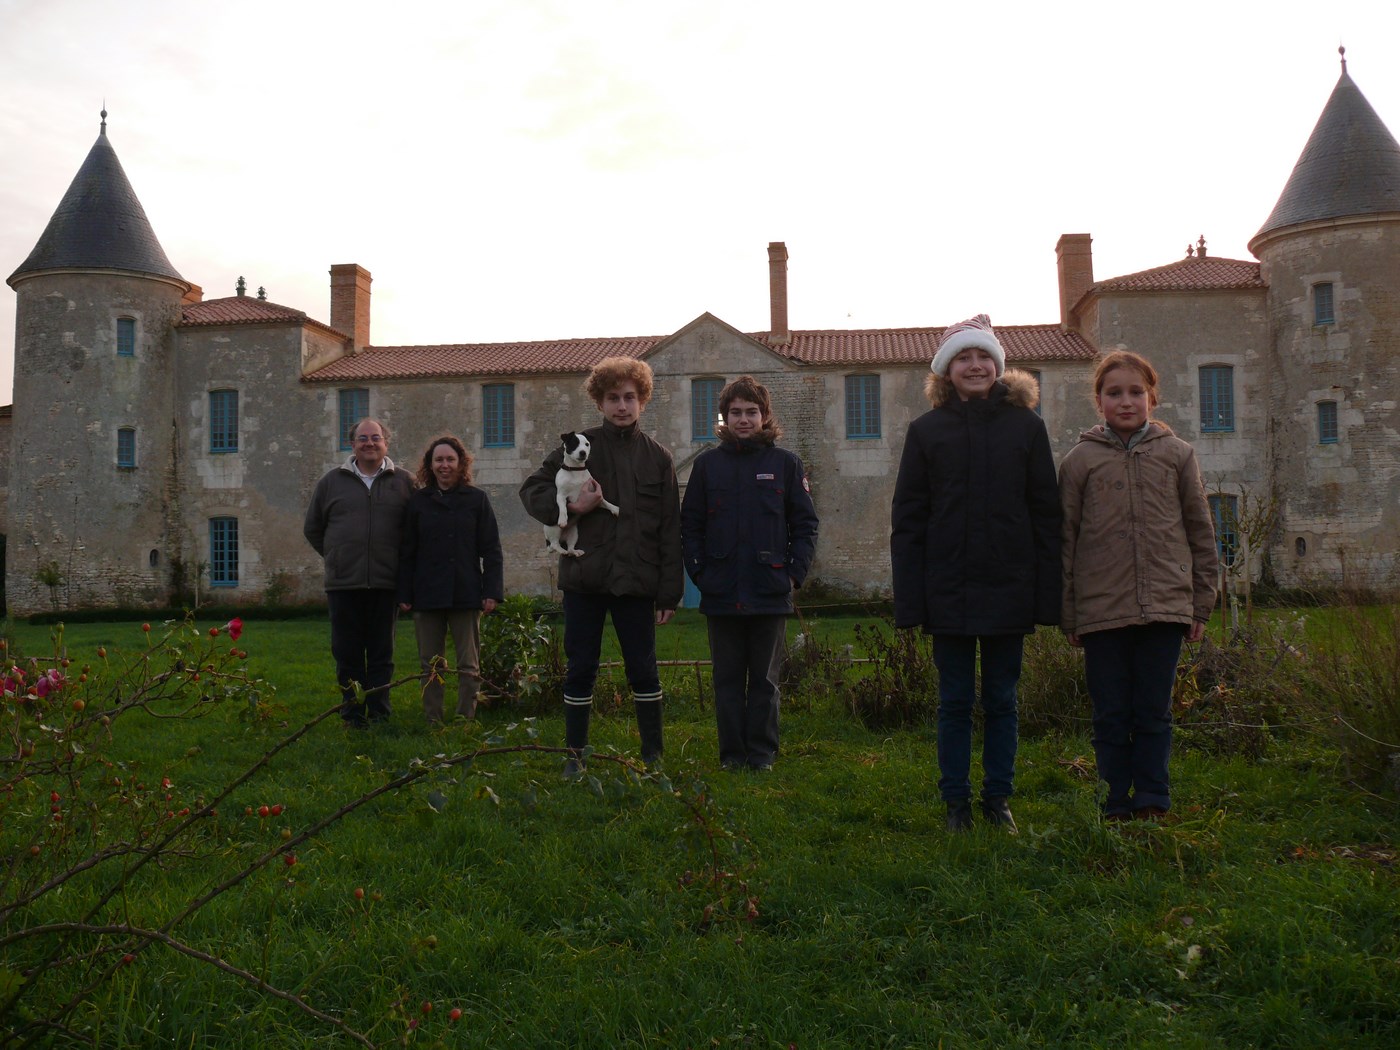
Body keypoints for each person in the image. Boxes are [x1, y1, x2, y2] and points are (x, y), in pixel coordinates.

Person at [890, 314, 1061, 833]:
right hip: (949, 590)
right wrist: (912, 601)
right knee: (955, 701)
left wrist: (1048, 596)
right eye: (963, 357)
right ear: (946, 370)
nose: (975, 365)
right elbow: (909, 521)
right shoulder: (926, 432)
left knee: (1004, 700)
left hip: (1011, 587)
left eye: (983, 356)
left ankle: (998, 799)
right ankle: (957, 804)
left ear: (999, 366)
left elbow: (1046, 515)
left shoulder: (1027, 427)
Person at [1059, 350, 1219, 821]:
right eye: (1114, 393)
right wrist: (1069, 613)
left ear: (1152, 397)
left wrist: (1201, 604)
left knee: (1153, 711)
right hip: (1102, 612)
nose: (1125, 402)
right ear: (1098, 401)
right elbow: (1064, 540)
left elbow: (1200, 532)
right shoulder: (1079, 462)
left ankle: (1152, 797)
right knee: (1110, 713)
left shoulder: (1178, 455)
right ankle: (1114, 799)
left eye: (1135, 392)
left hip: (1166, 608)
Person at [519, 356, 683, 773]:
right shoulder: (576, 446)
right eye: (613, 398)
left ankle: (653, 756)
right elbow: (533, 489)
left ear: (642, 401)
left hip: (637, 581)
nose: (622, 406)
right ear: (600, 402)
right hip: (585, 579)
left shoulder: (658, 458)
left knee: (643, 671)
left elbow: (669, 527)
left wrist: (669, 590)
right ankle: (575, 758)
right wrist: (573, 507)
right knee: (581, 669)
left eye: (630, 397)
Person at [681, 376, 818, 771]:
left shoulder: (786, 465)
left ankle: (761, 755)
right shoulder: (708, 466)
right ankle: (731, 756)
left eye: (751, 412)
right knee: (726, 683)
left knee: (764, 682)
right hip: (721, 590)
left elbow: (806, 525)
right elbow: (690, 526)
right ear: (724, 418)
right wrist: (700, 574)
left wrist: (793, 576)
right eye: (736, 412)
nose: (744, 419)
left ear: (765, 416)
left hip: (770, 590)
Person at [304, 418, 414, 727]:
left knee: (382, 654)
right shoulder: (331, 482)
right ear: (352, 444)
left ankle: (379, 712)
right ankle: (352, 712)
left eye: (375, 438)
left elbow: (413, 532)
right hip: (343, 584)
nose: (369, 443)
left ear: (386, 443)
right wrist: (337, 557)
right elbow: (313, 528)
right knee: (347, 654)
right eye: (362, 438)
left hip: (385, 582)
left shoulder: (404, 482)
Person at [397, 434, 504, 725]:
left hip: (466, 591)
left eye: (450, 460)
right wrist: (404, 594)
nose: (445, 465)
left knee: (469, 663)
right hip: (426, 593)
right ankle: (433, 719)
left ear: (460, 464)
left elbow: (492, 549)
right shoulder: (418, 502)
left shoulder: (476, 500)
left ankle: (464, 718)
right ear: (430, 466)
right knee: (430, 663)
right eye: (439, 460)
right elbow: (407, 551)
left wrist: (492, 591)